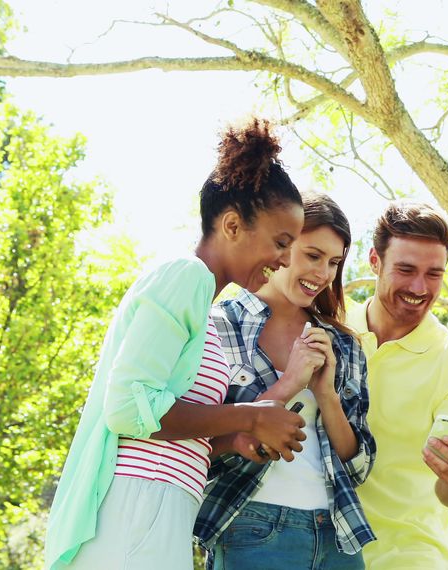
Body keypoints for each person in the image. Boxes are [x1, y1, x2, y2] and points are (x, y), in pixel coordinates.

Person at [45, 117, 309, 570]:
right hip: (133, 511)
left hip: (164, 511)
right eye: (281, 241)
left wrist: (232, 439)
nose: (285, 259)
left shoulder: (206, 315)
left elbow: (171, 426)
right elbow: (129, 407)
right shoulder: (184, 277)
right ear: (231, 224)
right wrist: (250, 414)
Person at [194, 192, 375, 569]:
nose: (323, 274)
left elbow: (357, 467)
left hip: (338, 534)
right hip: (250, 527)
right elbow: (196, 448)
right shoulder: (218, 325)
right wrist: (290, 382)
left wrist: (326, 394)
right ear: (284, 244)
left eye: (334, 263)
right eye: (312, 255)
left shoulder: (342, 344)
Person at [347, 201, 448, 569]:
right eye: (406, 269)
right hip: (312, 552)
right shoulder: (331, 324)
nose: (418, 287)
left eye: (434, 274)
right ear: (375, 262)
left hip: (407, 558)